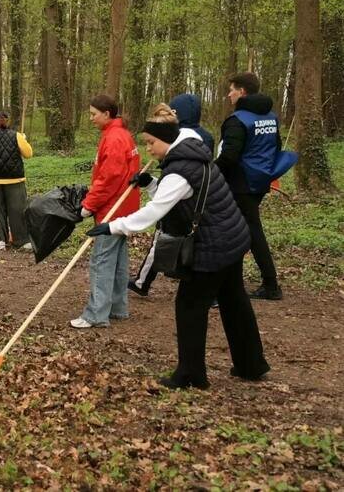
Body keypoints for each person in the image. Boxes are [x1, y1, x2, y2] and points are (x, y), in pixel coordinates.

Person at [88, 103, 270, 389]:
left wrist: (112, 226)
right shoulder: (192, 149)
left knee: (189, 306)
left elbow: (153, 213)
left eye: (151, 143)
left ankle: (191, 374)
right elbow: (179, 194)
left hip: (213, 245)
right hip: (233, 236)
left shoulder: (179, 171)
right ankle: (251, 364)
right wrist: (150, 183)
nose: (148, 149)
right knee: (235, 301)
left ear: (168, 140)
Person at [129, 93, 213, 297]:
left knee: (167, 239)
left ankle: (143, 282)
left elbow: (163, 197)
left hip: (187, 203)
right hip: (189, 200)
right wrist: (149, 181)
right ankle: (144, 281)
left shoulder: (182, 139)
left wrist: (116, 225)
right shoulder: (201, 136)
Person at [70, 94, 140, 329]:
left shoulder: (114, 138)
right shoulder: (121, 135)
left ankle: (95, 314)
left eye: (93, 114)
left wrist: (88, 205)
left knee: (101, 260)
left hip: (113, 210)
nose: (91, 118)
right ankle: (118, 308)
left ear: (107, 114)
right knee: (118, 260)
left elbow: (108, 178)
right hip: (124, 207)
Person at [218, 72, 283, 300]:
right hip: (259, 182)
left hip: (239, 184)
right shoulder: (271, 118)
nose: (229, 94)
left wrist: (211, 173)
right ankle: (267, 282)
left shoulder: (238, 120)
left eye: (232, 89)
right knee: (249, 229)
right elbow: (276, 147)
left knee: (237, 230)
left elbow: (228, 157)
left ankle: (269, 284)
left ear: (242, 92)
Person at [0, 111, 33, 251]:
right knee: (17, 210)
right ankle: (22, 241)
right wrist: (23, 139)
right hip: (15, 179)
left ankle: (1, 240)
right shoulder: (16, 135)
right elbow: (28, 154)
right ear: (7, 121)